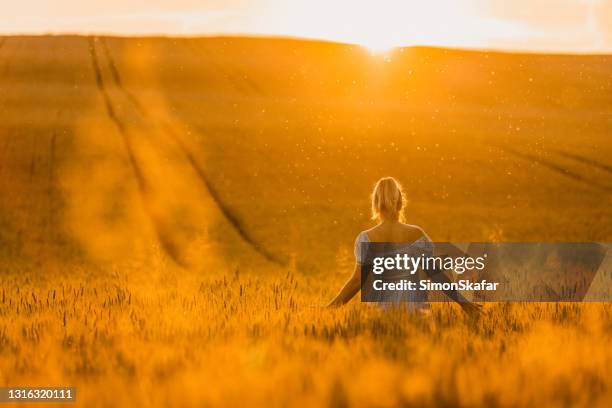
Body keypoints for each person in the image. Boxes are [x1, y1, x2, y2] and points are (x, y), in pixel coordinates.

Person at [326, 177, 482, 316]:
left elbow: (356, 281)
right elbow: (437, 276)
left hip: (381, 314)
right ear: (401, 202)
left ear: (375, 204)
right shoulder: (417, 235)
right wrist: (464, 303)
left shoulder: (366, 238)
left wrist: (328, 310)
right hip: (416, 313)